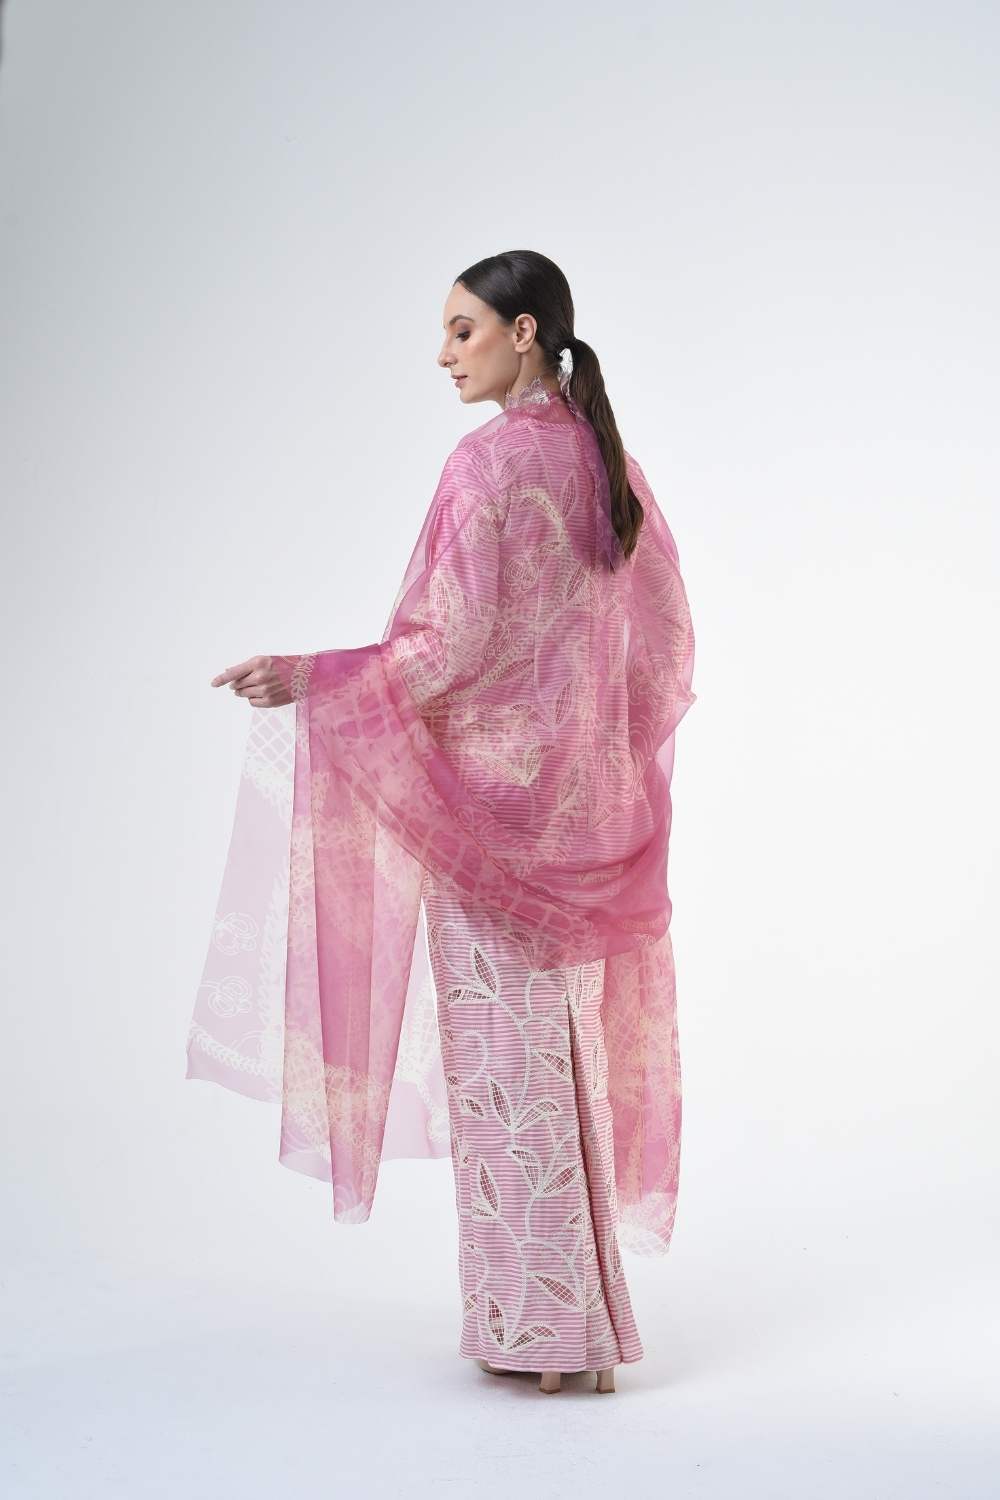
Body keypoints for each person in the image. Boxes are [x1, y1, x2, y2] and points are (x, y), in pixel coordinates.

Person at [187, 250, 697, 1396]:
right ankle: (582, 1334)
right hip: (582, 823)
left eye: (463, 330)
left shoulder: (489, 463)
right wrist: (591, 748)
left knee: (509, 1071)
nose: (443, 353)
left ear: (524, 333)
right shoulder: (607, 459)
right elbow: (664, 645)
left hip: (488, 823)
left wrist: (313, 676)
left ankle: (547, 1337)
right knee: (561, 1063)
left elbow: (450, 644)